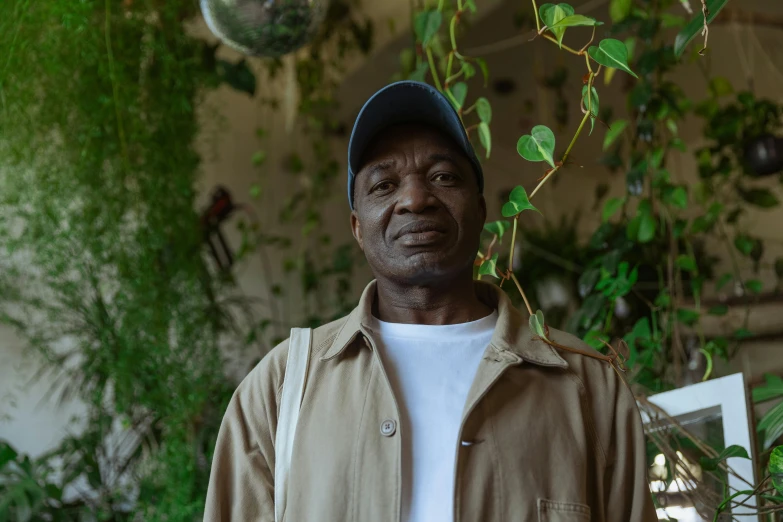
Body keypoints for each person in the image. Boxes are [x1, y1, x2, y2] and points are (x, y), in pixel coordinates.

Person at [204, 81, 658, 522]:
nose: (416, 199)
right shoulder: (281, 391)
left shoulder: (587, 387)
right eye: (383, 185)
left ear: (480, 210)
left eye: (443, 177)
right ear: (358, 227)